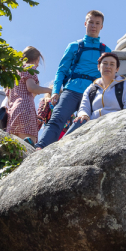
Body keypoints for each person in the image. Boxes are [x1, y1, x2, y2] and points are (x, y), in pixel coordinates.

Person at [35, 10, 111, 149]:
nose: (93, 26)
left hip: (92, 93)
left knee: (84, 122)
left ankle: (63, 145)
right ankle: (41, 146)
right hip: (71, 89)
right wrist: (56, 91)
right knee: (57, 118)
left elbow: (109, 76)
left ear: (102, 27)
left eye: (97, 23)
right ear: (85, 23)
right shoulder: (74, 46)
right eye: (91, 22)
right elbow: (61, 70)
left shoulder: (106, 51)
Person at [65, 52, 126, 135]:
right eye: (105, 63)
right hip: (93, 125)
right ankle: (59, 147)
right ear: (98, 67)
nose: (108, 66)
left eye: (112, 64)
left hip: (115, 123)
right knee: (79, 121)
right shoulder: (91, 88)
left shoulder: (125, 85)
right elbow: (84, 107)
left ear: (117, 69)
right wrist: (84, 115)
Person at [5, 46, 52, 146]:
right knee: (27, 149)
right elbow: (31, 88)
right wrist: (50, 90)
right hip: (25, 109)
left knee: (14, 149)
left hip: (13, 112)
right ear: (35, 59)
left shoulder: (13, 73)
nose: (38, 65)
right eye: (38, 61)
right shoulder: (29, 68)